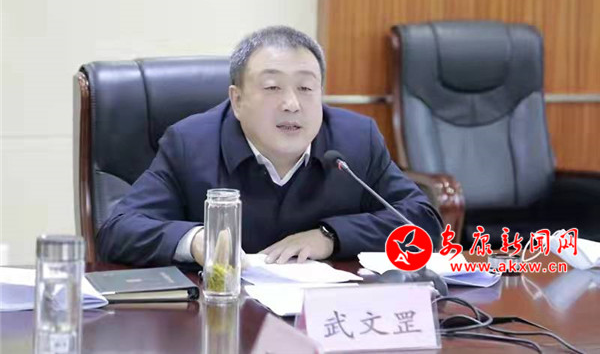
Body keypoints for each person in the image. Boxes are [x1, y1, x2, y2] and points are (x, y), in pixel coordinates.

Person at [96, 26, 443, 267]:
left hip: (322, 320)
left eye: (306, 88)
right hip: (221, 316)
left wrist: (331, 236)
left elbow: (422, 221)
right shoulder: (190, 143)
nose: (292, 104)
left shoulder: (355, 140)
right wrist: (197, 241)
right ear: (237, 99)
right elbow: (118, 230)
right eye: (273, 88)